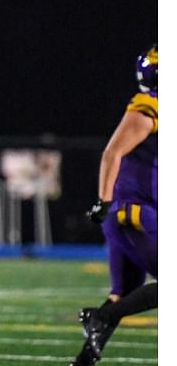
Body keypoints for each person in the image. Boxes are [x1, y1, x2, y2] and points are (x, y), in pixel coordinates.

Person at [71, 44, 158, 366]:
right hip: (133, 212)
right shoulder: (150, 105)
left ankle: (82, 362)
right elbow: (113, 152)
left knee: (124, 291)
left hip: (128, 212)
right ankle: (99, 316)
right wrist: (104, 202)